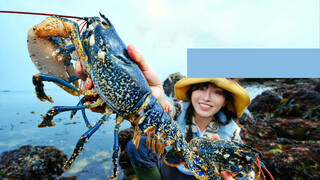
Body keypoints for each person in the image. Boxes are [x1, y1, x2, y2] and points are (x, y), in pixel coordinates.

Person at [75, 44, 251, 180]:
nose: (206, 97)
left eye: (217, 92)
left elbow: (247, 170)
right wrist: (147, 95)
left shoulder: (232, 132)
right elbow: (162, 108)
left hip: (203, 176)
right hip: (171, 165)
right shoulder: (180, 109)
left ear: (225, 100)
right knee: (138, 145)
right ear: (191, 92)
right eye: (201, 88)